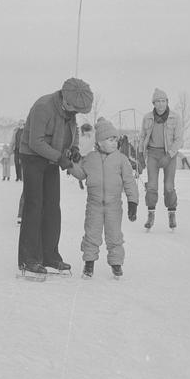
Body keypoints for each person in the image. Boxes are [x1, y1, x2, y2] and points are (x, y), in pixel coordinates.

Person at [18, 77, 93, 276]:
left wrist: (74, 148)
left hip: (53, 158)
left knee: (52, 207)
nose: (75, 113)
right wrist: (61, 158)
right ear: (65, 101)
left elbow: (74, 131)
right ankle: (29, 259)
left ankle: (50, 255)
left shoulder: (69, 112)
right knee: (34, 206)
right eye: (74, 109)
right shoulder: (44, 107)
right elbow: (36, 142)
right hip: (33, 157)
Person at [68, 117, 139, 278]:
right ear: (99, 142)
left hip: (114, 205)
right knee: (91, 234)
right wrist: (70, 165)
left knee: (114, 235)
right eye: (110, 139)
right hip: (94, 205)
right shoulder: (90, 158)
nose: (114, 143)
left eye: (115, 139)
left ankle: (116, 264)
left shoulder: (121, 159)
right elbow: (81, 174)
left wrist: (132, 202)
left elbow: (129, 182)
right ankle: (89, 263)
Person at [138, 88, 183, 230]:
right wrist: (140, 153)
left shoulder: (175, 118)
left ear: (167, 102)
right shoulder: (147, 117)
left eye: (163, 101)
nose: (161, 104)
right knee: (151, 186)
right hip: (152, 153)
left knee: (169, 186)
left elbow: (179, 140)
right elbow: (142, 136)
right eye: (157, 101)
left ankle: (172, 213)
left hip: (169, 154)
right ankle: (150, 216)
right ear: (153, 103)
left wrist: (169, 155)